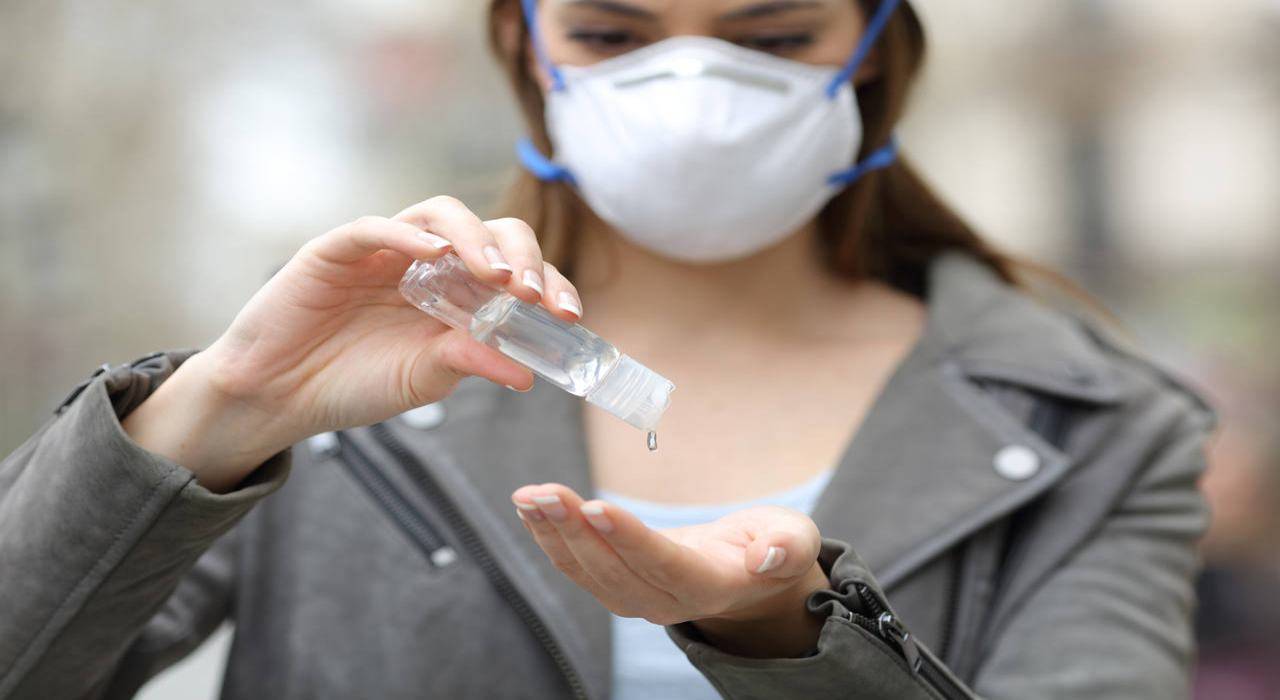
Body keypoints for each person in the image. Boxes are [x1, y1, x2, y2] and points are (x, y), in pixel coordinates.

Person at [0, 0, 1213, 698]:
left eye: (773, 33)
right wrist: (222, 408)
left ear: (876, 53)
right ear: (524, 44)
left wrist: (790, 646)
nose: (693, 99)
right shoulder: (349, 382)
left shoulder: (1095, 427)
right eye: (610, 31)